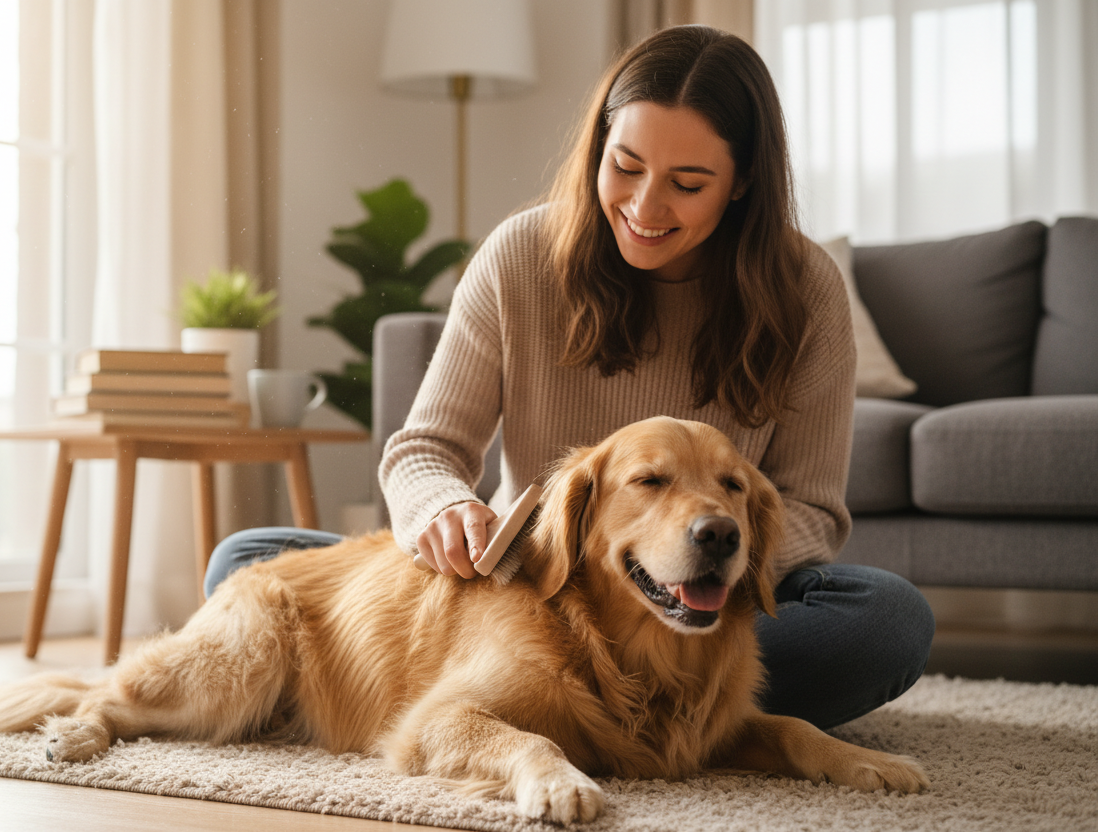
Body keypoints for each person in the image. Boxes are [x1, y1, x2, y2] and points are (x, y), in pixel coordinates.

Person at [205, 25, 934, 730]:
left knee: (887, 620)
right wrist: (444, 511)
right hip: (536, 594)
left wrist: (686, 580)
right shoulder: (520, 256)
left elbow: (809, 509)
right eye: (625, 166)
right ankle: (642, 716)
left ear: (741, 183)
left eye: (687, 183)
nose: (645, 208)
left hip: (708, 602)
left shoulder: (807, 289)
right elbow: (424, 450)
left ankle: (594, 708)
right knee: (250, 562)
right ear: (597, 150)